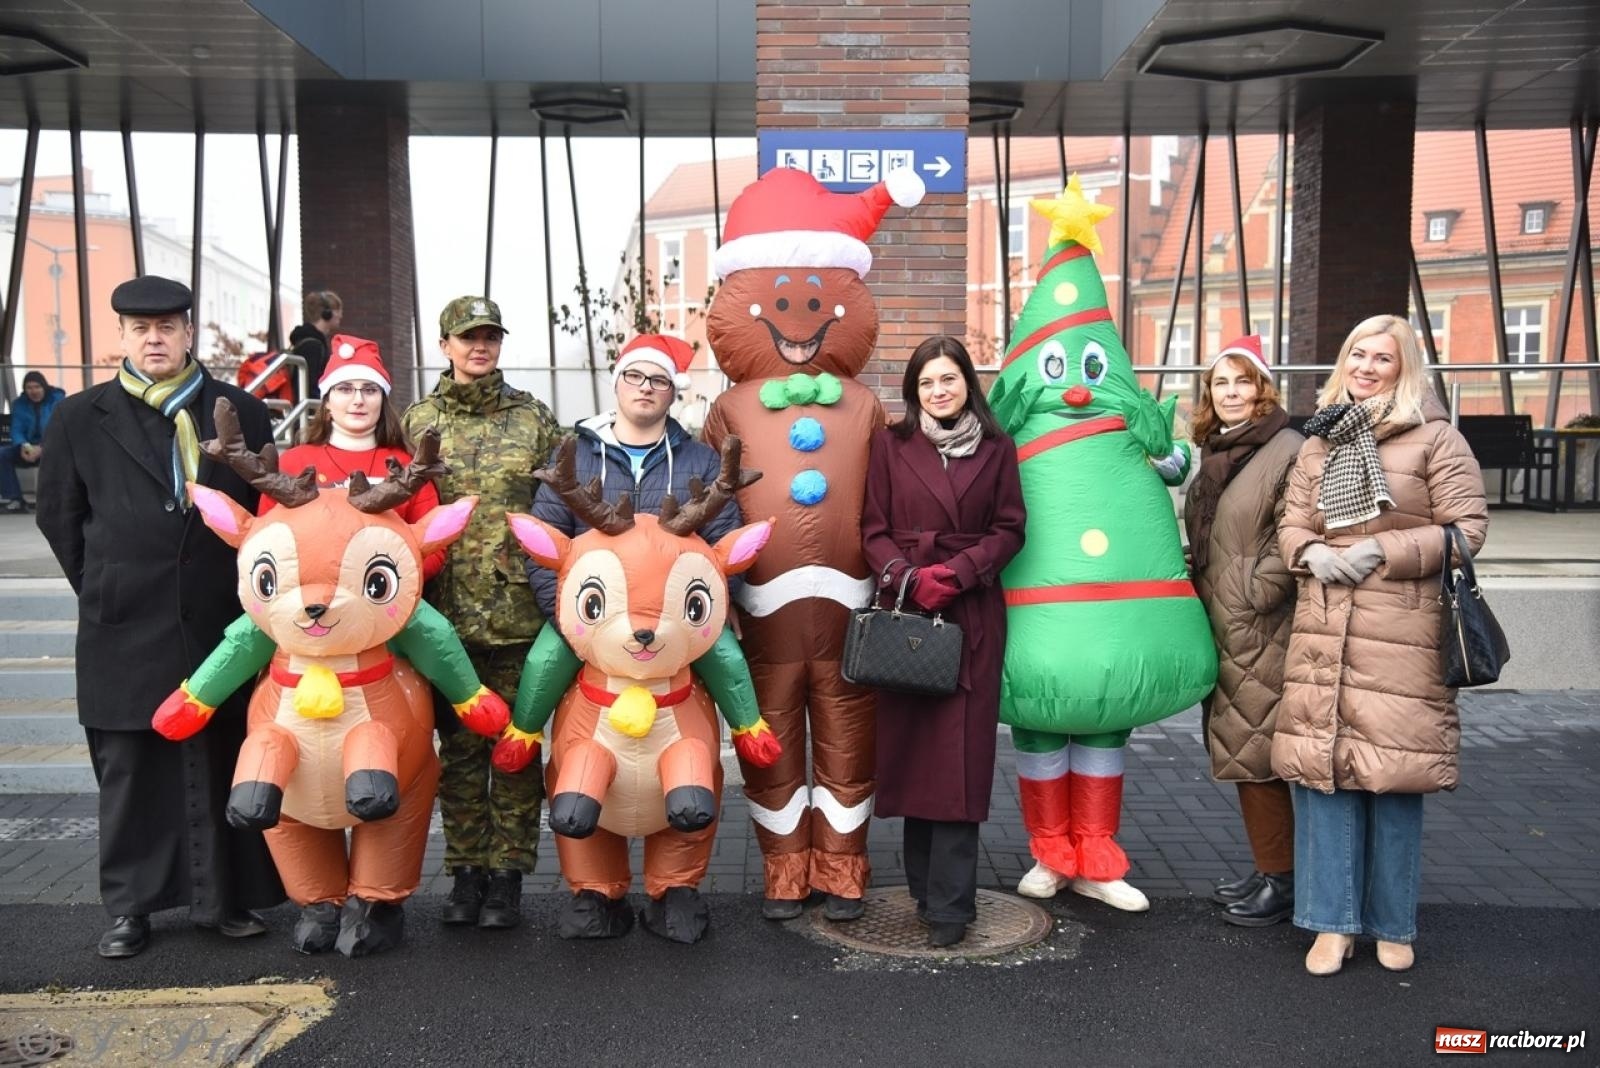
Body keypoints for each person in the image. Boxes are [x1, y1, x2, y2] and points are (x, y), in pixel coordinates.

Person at [35, 275, 284, 958]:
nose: (154, 339)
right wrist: (105, 584)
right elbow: (60, 518)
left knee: (224, 755)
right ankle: (131, 909)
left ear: (187, 332)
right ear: (121, 334)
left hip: (221, 619)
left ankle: (227, 900)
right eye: (141, 329)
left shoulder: (241, 410)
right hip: (124, 622)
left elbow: (265, 515)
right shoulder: (79, 417)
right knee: (131, 769)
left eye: (168, 327)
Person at [512, 332, 778, 940]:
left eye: (657, 380)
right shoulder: (577, 454)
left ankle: (678, 884)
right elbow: (546, 542)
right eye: (635, 377)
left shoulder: (701, 462)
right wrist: (574, 623)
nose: (645, 389)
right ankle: (525, 739)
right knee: (544, 664)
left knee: (724, 664)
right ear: (618, 382)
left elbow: (723, 547)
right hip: (591, 629)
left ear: (671, 392)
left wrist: (701, 619)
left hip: (675, 634)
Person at [1272, 313, 1488, 976]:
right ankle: (1330, 926)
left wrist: (1381, 549)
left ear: (1404, 368)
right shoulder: (1320, 440)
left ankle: (1392, 924)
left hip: (1401, 631)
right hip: (1324, 624)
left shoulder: (1435, 437)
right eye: (1358, 354)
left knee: (1393, 778)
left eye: (1382, 358)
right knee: (1325, 776)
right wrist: (1309, 552)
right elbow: (1291, 523)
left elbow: (1467, 530)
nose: (1366, 367)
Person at [860, 336, 1026, 948]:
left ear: (967, 384)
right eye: (927, 382)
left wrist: (958, 573)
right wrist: (907, 577)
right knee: (915, 755)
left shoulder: (998, 447)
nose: (938, 391)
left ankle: (952, 906)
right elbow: (872, 528)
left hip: (972, 611)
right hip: (908, 610)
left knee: (961, 759)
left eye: (948, 379)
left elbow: (1011, 528)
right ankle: (924, 891)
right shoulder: (890, 444)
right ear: (914, 390)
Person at [402, 295, 561, 931]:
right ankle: (466, 872)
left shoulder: (534, 418)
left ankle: (509, 876)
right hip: (446, 620)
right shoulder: (418, 421)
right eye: (468, 337)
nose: (480, 347)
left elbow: (559, 503)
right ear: (444, 345)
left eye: (490, 336)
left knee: (517, 749)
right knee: (461, 755)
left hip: (519, 616)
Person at [1182, 335, 1303, 927]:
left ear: (1263, 389)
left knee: (1258, 751)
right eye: (1220, 383)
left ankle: (1284, 880)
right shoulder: (1222, 449)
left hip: (1260, 622)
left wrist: (1259, 589)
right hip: (1226, 615)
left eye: (1242, 381)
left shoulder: (1287, 448)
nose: (1231, 393)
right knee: (1244, 745)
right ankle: (1270, 867)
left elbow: (1295, 528)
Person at [259, 333, 445, 581]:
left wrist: (380, 581)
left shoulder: (409, 467)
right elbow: (264, 538)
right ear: (327, 401)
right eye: (345, 389)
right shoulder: (293, 463)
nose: (358, 400)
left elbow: (434, 548)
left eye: (370, 390)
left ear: (382, 400)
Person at [3, 371, 64, 511]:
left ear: (44, 387)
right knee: (3, 455)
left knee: (63, 455)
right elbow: (16, 429)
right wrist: (24, 446)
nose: (33, 391)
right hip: (28, 447)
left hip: (52, 446)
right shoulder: (19, 404)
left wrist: (42, 448)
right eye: (29, 388)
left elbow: (59, 429)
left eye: (37, 387)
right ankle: (15, 499)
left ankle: (56, 499)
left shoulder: (58, 401)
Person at [289, 289, 342, 399]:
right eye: (337, 310)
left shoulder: (310, 341)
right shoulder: (312, 346)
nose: (340, 315)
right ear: (327, 314)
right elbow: (309, 386)